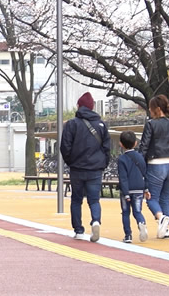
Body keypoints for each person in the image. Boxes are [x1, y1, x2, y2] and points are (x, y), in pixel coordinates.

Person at [60, 92, 110, 242]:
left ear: (79, 106)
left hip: (77, 168)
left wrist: (71, 162)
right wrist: (103, 164)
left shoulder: (72, 124)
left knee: (76, 200)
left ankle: (79, 230)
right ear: (92, 107)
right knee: (94, 200)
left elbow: (65, 147)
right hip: (95, 169)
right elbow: (107, 148)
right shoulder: (101, 125)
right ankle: (96, 221)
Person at [139, 94, 169, 239]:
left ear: (157, 109)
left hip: (156, 164)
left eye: (151, 109)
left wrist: (140, 162)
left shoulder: (151, 124)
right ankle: (166, 229)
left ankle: (161, 217)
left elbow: (144, 146)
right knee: (165, 198)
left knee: (152, 198)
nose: (150, 111)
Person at [117, 131, 148, 243]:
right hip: (139, 188)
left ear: (121, 144)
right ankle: (141, 223)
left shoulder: (122, 159)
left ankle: (128, 235)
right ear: (135, 143)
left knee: (125, 212)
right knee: (137, 211)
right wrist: (146, 188)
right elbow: (145, 173)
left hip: (127, 190)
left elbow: (123, 178)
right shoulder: (140, 157)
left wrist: (125, 193)